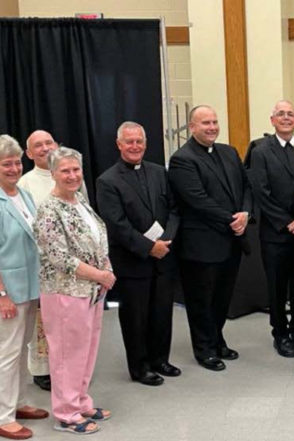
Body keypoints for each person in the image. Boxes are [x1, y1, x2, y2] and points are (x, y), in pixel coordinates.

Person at [34, 147, 114, 435]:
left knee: (86, 350)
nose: (72, 175)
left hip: (90, 290)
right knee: (67, 355)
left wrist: (106, 271)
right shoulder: (49, 209)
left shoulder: (79, 200)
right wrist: (101, 275)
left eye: (76, 170)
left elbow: (97, 239)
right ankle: (66, 414)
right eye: (65, 171)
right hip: (64, 292)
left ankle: (80, 401)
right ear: (53, 173)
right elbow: (59, 257)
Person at [96, 122, 181, 386]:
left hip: (164, 256)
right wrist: (148, 247)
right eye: (129, 142)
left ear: (146, 143)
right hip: (133, 261)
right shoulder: (107, 181)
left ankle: (160, 360)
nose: (135, 146)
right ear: (119, 144)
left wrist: (166, 239)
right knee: (135, 317)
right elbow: (116, 224)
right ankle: (140, 367)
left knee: (162, 312)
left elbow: (175, 209)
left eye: (139, 141)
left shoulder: (159, 172)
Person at [168, 105, 251, 371]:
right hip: (201, 243)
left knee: (222, 297)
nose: (212, 127)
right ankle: (204, 349)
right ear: (192, 127)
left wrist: (246, 213)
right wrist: (232, 219)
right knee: (201, 299)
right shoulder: (183, 159)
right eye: (205, 123)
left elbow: (246, 186)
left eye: (215, 122)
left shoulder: (229, 152)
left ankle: (217, 339)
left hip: (231, 240)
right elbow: (197, 200)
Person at [248, 100, 294, 358]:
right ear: (272, 120)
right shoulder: (260, 151)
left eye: (291, 113)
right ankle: (280, 333)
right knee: (277, 286)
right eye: (281, 114)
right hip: (275, 233)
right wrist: (286, 222)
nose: (286, 118)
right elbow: (261, 191)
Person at [18, 130, 87, 392]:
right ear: (28, 153)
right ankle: (43, 370)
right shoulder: (25, 183)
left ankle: (71, 367)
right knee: (43, 322)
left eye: (49, 143)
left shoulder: (72, 175)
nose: (45, 148)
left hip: (77, 264)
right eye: (38, 145)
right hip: (45, 263)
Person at [0, 135, 48, 440]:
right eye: (6, 163)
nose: (14, 168)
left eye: (17, 162)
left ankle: (18, 403)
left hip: (31, 285)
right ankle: (3, 416)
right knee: (7, 353)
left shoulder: (24, 195)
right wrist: (2, 294)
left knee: (22, 349)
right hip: (10, 290)